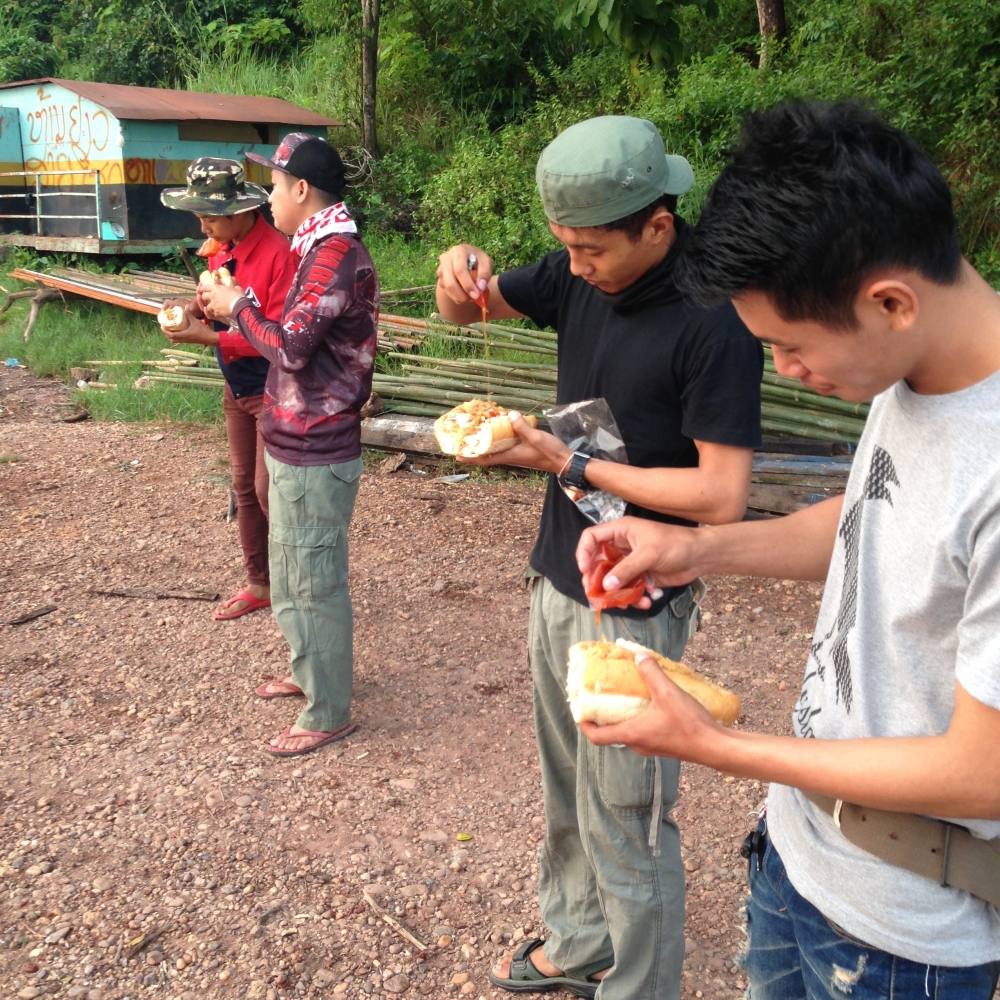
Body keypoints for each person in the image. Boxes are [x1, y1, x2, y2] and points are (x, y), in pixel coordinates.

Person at [577, 100, 1000, 998]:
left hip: (902, 935)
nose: (785, 372)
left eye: (790, 348)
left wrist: (715, 747)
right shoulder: (916, 373)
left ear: (890, 300)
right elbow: (868, 524)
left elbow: (982, 772)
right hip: (800, 852)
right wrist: (691, 550)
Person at [435, 116, 763, 999]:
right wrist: (456, 270)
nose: (573, 270)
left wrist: (568, 461)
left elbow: (721, 495)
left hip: (639, 595)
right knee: (569, 785)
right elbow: (467, 306)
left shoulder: (714, 321)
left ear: (657, 225)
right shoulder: (581, 268)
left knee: (628, 810)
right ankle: (580, 943)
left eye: (590, 253)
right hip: (559, 569)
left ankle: (640, 984)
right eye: (563, 250)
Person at [199, 134, 379, 758]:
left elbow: (292, 347)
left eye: (273, 186)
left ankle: (328, 709)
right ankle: (310, 673)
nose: (267, 198)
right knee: (294, 571)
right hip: (291, 438)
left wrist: (235, 306)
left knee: (316, 578)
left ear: (302, 190)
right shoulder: (313, 246)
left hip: (317, 445)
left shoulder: (334, 254)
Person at [160, 157, 296, 621]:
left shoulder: (278, 253)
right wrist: (188, 312)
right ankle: (260, 583)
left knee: (266, 490)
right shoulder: (220, 246)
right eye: (197, 214)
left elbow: (278, 335)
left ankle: (300, 584)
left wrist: (211, 337)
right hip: (235, 383)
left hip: (272, 386)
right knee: (241, 485)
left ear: (241, 210)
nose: (203, 223)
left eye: (210, 214)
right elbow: (213, 305)